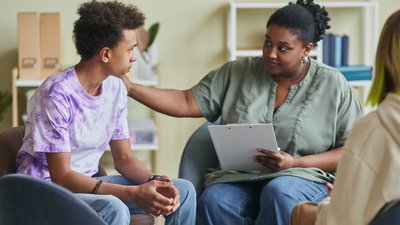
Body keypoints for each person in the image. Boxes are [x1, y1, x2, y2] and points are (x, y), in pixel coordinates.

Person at [122, 0, 363, 224]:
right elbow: (186, 101)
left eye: (283, 48)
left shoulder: (334, 85)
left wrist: (296, 162)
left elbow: (351, 151)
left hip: (304, 177)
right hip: (241, 177)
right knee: (215, 200)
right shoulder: (237, 72)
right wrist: (130, 88)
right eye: (268, 42)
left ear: (306, 49)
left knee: (278, 191)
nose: (270, 53)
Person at [15, 1, 196, 225]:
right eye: (130, 49)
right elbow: (61, 176)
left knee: (183, 190)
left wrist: (154, 181)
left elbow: (125, 159)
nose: (134, 56)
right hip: (46, 190)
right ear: (105, 54)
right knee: (113, 208)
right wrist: (132, 193)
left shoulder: (115, 87)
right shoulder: (56, 94)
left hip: (88, 184)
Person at [291, 9, 400, 225]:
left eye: (284, 47)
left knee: (297, 208)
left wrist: (331, 203)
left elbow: (339, 220)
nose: (273, 54)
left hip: (318, 187)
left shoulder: (375, 131)